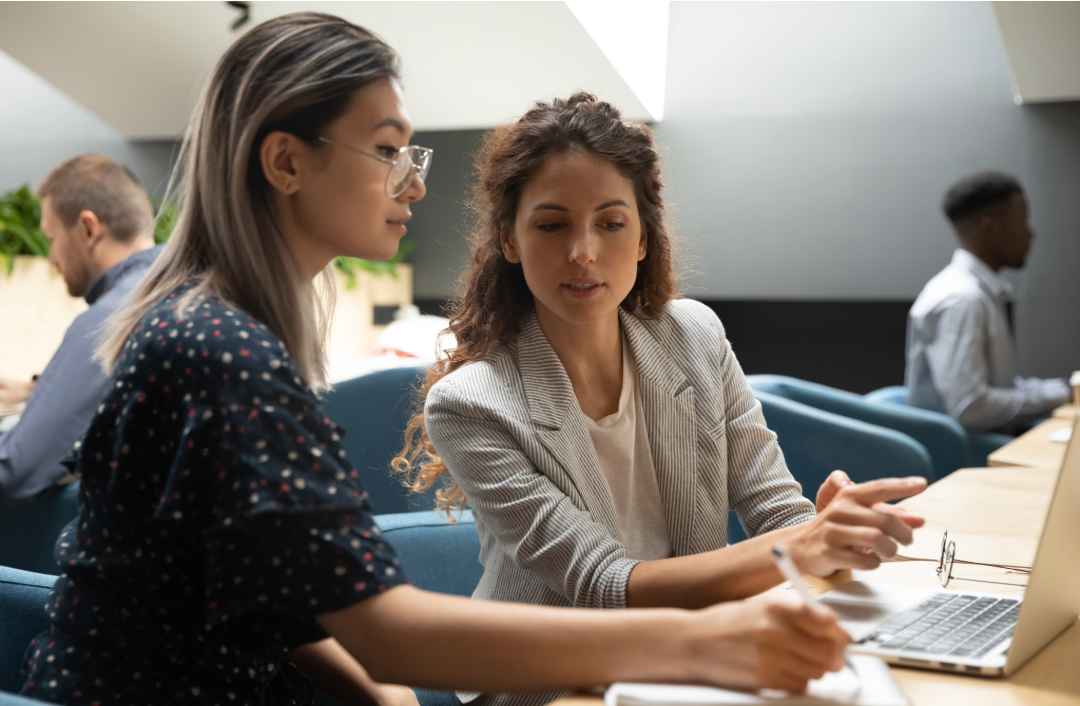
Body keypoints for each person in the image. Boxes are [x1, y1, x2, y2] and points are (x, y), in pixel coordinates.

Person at [21, 14, 851, 706]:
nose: (412, 185)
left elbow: (278, 585)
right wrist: (704, 642)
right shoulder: (222, 353)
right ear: (284, 162)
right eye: (388, 152)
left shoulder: (217, 330)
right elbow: (387, 632)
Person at [398, 93, 927, 706]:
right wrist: (799, 546)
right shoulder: (473, 404)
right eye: (551, 224)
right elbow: (604, 586)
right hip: (557, 689)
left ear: (644, 237)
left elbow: (779, 515)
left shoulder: (694, 336)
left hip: (697, 669)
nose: (584, 252)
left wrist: (831, 536)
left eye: (611, 222)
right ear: (509, 242)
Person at [0, 154, 159, 504]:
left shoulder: (114, 316)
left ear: (88, 227)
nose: (51, 257)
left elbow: (16, 469)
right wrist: (35, 391)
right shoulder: (177, 288)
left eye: (52, 238)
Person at [906, 171, 1071, 433]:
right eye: (1023, 221)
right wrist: (1063, 395)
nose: (1031, 234)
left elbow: (999, 388)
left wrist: (1066, 389)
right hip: (967, 458)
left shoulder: (977, 292)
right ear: (990, 228)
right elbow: (970, 408)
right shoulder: (962, 299)